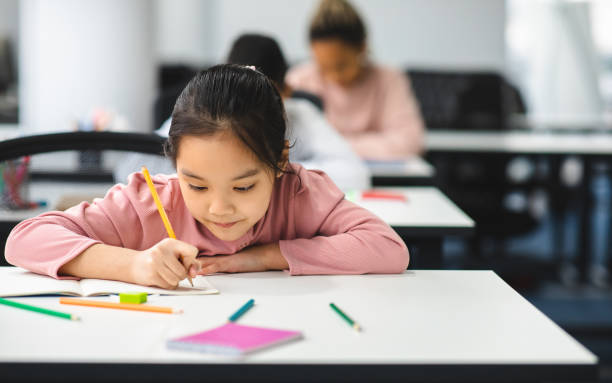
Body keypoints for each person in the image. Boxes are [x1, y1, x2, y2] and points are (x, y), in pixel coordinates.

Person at [6, 65, 409, 289]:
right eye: (196, 184)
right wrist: (134, 266)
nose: (219, 208)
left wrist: (264, 257)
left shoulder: (301, 191)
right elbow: (24, 241)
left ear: (280, 161)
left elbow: (388, 249)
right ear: (173, 163)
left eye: (244, 186)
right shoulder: (150, 201)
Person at [114, 34, 370, 192]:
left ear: (288, 91)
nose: (251, 110)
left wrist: (265, 168)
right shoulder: (204, 111)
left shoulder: (302, 115)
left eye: (268, 98)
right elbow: (129, 171)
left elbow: (356, 175)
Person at [286, 0, 425, 160]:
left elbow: (411, 141)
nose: (333, 76)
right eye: (323, 67)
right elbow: (287, 142)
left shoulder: (389, 80)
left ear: (363, 48)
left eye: (342, 66)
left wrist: (332, 146)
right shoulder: (298, 80)